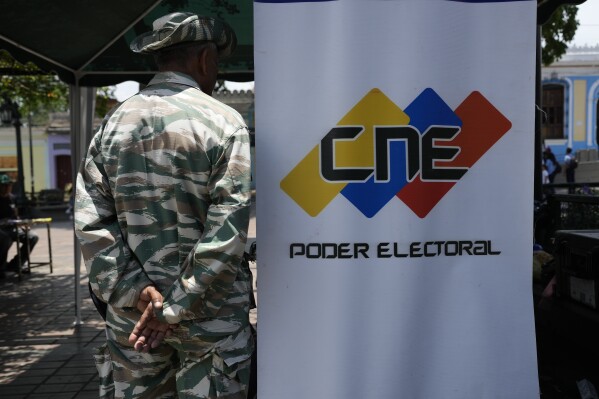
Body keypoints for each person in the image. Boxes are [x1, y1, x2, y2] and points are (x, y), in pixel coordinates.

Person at [74, 12, 253, 399]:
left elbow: (90, 221)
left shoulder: (112, 124)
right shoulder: (224, 123)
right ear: (206, 59)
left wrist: (137, 292)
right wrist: (174, 306)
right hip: (210, 318)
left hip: (134, 319)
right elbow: (228, 228)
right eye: (216, 63)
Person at [0, 173, 38, 277]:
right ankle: (1, 267)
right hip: (2, 229)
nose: (7, 188)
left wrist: (22, 224)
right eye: (4, 186)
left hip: (13, 227)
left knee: (33, 237)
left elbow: (15, 215)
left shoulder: (12, 198)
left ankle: (16, 264)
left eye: (9, 185)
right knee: (5, 238)